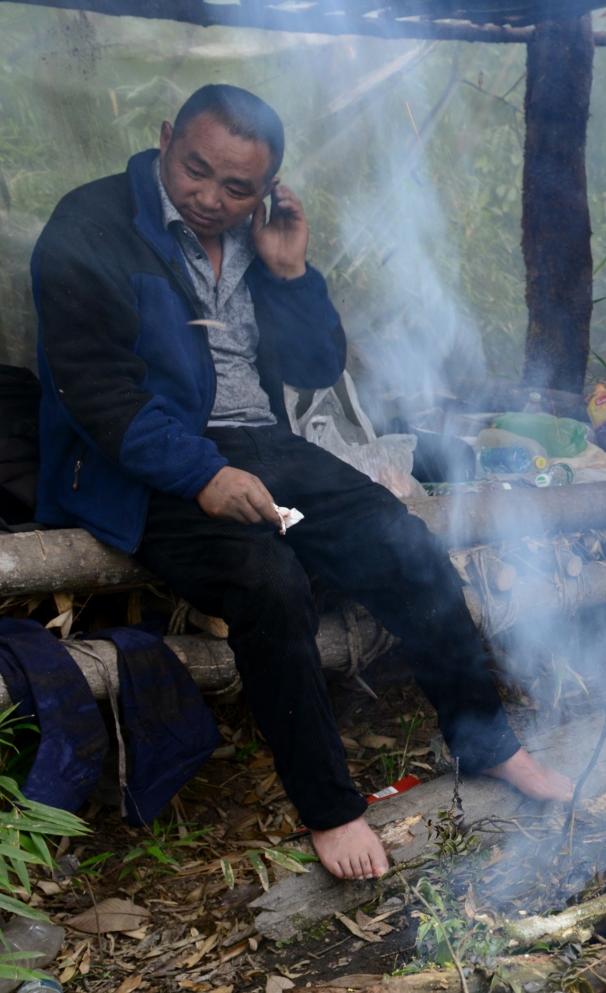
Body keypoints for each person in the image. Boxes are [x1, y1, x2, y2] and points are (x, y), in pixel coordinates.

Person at [31, 84, 572, 881]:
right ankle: (331, 807)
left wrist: (290, 273)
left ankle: (490, 742)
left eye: (237, 187)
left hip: (263, 444)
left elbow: (316, 367)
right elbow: (97, 394)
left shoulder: (258, 236)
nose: (210, 198)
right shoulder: (90, 226)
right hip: (133, 462)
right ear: (166, 138)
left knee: (406, 544)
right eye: (195, 171)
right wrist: (204, 474)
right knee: (269, 579)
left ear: (268, 186)